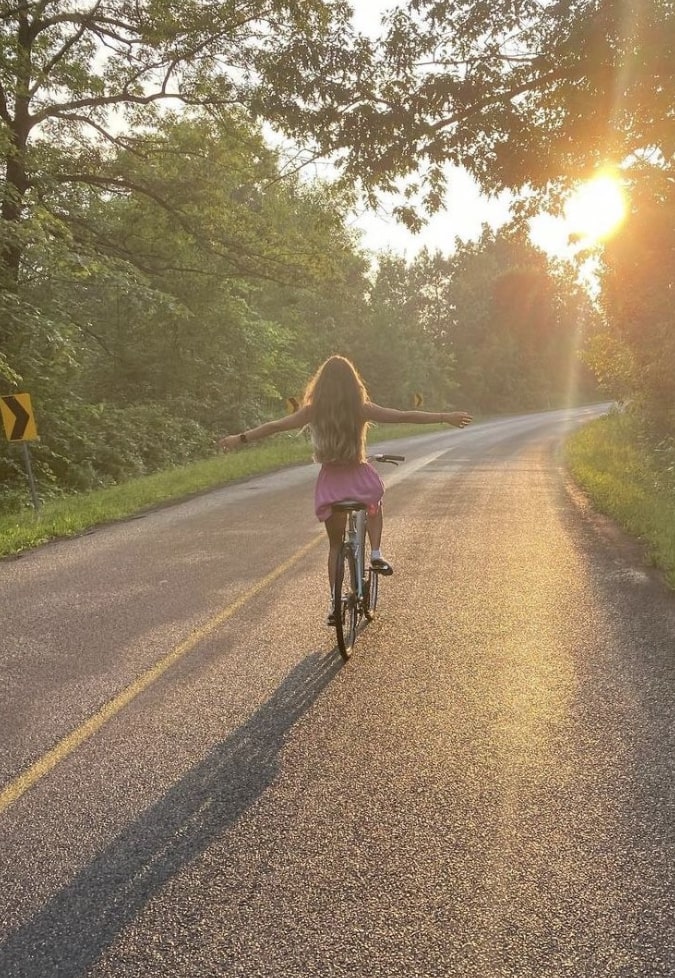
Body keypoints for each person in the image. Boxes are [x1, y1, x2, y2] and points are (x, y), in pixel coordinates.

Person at [219, 355, 472, 623]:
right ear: (354, 383)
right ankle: (375, 553)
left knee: (334, 546)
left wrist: (240, 438)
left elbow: (275, 426)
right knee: (375, 501)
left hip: (330, 484)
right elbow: (403, 416)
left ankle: (334, 603)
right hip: (357, 476)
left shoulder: (313, 411)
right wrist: (445, 416)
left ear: (321, 385)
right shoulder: (361, 408)